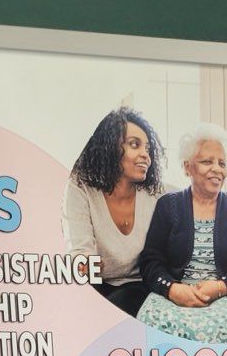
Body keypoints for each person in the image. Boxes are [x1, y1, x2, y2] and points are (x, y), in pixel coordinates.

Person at [137, 124, 227, 342]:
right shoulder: (168, 205)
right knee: (148, 324)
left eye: (222, 163)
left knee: (212, 331)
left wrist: (221, 286)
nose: (217, 169)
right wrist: (172, 289)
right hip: (176, 294)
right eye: (207, 161)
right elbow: (150, 260)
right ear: (188, 168)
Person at [62, 108, 166, 318]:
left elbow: (200, 198)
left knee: (112, 310)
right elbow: (81, 255)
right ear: (109, 147)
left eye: (147, 148)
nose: (146, 155)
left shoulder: (155, 193)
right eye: (134, 144)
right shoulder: (79, 187)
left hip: (139, 286)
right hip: (95, 284)